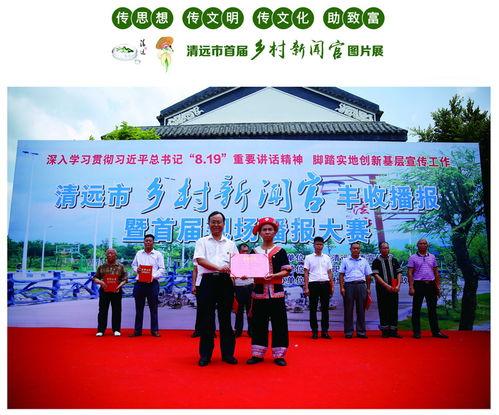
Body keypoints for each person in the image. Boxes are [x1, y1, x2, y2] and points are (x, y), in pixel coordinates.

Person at [194, 211, 239, 366]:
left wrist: (240, 275)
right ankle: (205, 355)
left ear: (224, 224)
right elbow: (200, 260)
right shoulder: (202, 241)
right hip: (207, 282)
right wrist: (219, 268)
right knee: (207, 320)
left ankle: (228, 354)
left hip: (225, 283)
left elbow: (236, 265)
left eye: (219, 222)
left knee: (225, 319)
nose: (216, 225)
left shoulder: (230, 244)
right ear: (208, 224)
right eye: (213, 222)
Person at [246, 217, 292, 366]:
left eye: (270, 229)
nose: (267, 232)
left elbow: (286, 271)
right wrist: (244, 273)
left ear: (275, 232)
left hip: (276, 293)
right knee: (258, 324)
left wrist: (274, 275)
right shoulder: (254, 251)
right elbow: (249, 270)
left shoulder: (280, 251)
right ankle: (257, 354)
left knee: (280, 323)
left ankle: (279, 355)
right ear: (260, 233)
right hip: (259, 293)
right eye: (264, 229)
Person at [407, 238, 448, 339]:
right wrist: (411, 287)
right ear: (417, 245)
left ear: (427, 245)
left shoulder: (432, 257)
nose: (423, 245)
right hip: (418, 284)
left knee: (432, 309)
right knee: (416, 309)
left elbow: (436, 272)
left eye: (425, 243)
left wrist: (438, 286)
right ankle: (417, 332)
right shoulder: (412, 257)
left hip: (431, 284)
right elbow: (410, 273)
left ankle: (436, 332)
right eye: (420, 243)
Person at [129, 234, 165, 337]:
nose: (148, 242)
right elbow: (133, 265)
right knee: (139, 309)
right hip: (140, 283)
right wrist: (137, 269)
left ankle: (154, 330)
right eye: (146, 240)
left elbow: (162, 269)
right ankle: (137, 331)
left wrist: (153, 276)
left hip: (152, 284)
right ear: (144, 242)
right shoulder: (139, 253)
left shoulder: (158, 254)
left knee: (153, 308)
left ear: (153, 242)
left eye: (150, 241)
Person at [339, 242, 372, 339]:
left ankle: (361, 332)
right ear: (350, 249)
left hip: (361, 286)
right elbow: (341, 274)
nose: (356, 250)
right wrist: (342, 287)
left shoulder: (364, 261)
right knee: (348, 309)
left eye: (357, 248)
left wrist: (368, 288)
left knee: (361, 310)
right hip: (349, 286)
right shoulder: (345, 260)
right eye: (354, 248)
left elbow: (368, 275)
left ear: (360, 250)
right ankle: (348, 332)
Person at [303, 236, 334, 339]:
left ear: (323, 245)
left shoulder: (327, 257)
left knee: (325, 309)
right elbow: (306, 273)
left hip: (325, 284)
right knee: (313, 308)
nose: (319, 246)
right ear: (314, 245)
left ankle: (325, 331)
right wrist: (306, 287)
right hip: (313, 284)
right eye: (317, 244)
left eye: (321, 244)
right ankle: (314, 331)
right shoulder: (308, 257)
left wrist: (332, 285)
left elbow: (330, 272)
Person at [93, 248, 128, 336]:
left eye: (111, 253)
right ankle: (101, 330)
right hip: (104, 291)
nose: (109, 255)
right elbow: (95, 278)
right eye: (108, 253)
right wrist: (101, 282)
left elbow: (125, 279)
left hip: (117, 291)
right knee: (102, 311)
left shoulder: (120, 266)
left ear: (115, 255)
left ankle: (116, 330)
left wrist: (119, 285)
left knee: (117, 310)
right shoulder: (102, 266)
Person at [371, 242, 403, 338]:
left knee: (394, 308)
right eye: (383, 248)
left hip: (394, 288)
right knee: (383, 308)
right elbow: (376, 275)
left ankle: (393, 330)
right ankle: (385, 331)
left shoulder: (394, 260)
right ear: (380, 249)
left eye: (387, 248)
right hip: (382, 289)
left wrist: (398, 285)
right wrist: (386, 285)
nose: (385, 250)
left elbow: (399, 273)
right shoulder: (376, 261)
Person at [234, 243, 254, 338]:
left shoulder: (252, 261)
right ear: (239, 251)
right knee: (239, 310)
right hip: (239, 287)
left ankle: (251, 331)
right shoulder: (234, 261)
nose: (245, 253)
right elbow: (232, 274)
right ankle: (238, 331)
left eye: (247, 251)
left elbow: (256, 272)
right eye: (243, 251)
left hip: (250, 286)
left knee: (250, 310)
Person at [191, 265, 201, 338]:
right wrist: (193, 285)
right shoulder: (198, 258)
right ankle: (198, 330)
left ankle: (211, 331)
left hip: (214, 284)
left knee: (212, 309)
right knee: (200, 308)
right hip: (199, 284)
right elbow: (195, 270)